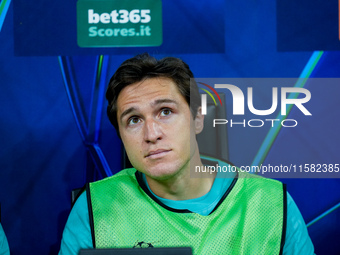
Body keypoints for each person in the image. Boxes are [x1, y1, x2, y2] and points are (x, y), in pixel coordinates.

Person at [59, 53, 314, 254]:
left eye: (166, 112)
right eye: (134, 120)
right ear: (121, 135)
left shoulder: (270, 203)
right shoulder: (95, 207)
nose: (151, 133)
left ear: (198, 118)